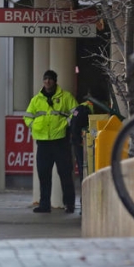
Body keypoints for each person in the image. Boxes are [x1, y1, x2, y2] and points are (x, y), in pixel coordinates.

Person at [24, 70, 78, 213]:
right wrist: (33, 125)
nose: (47, 81)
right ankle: (44, 204)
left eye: (50, 79)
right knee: (43, 174)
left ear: (55, 81)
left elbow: (76, 112)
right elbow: (27, 116)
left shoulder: (66, 97)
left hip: (60, 141)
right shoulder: (36, 100)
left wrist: (67, 123)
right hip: (43, 142)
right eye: (45, 79)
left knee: (65, 174)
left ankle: (70, 204)